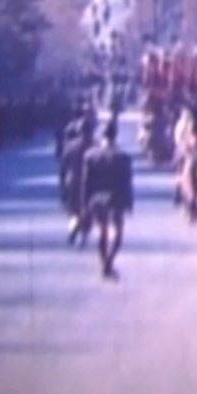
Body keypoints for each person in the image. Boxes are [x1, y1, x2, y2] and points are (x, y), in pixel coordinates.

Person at [82, 120, 133, 279]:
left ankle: (104, 263)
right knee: (117, 236)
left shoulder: (91, 155)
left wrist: (85, 204)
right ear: (115, 135)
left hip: (97, 199)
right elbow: (126, 181)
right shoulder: (123, 157)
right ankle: (108, 263)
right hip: (115, 199)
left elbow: (86, 182)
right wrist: (129, 202)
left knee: (102, 232)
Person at [60, 119, 94, 247]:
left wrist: (62, 185)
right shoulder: (95, 146)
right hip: (90, 184)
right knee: (88, 212)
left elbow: (63, 167)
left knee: (74, 210)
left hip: (72, 181)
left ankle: (73, 228)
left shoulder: (70, 146)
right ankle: (82, 235)